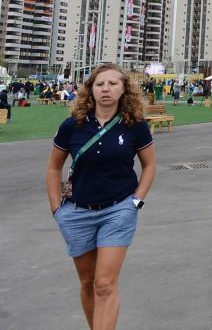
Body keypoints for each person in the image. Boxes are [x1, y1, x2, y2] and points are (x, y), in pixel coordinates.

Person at [46, 64, 156, 330]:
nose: (106, 89)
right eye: (100, 84)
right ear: (91, 90)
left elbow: (150, 166)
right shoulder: (73, 125)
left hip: (118, 211)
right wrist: (56, 209)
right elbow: (53, 168)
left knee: (104, 284)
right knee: (87, 283)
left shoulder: (135, 126)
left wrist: (136, 202)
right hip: (77, 213)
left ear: (124, 89)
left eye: (113, 84)